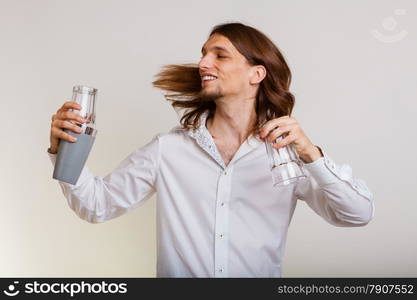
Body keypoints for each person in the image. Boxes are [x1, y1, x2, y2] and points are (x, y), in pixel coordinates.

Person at [48, 23, 374, 277]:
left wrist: (311, 154)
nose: (203, 62)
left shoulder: (286, 154)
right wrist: (62, 147)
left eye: (220, 54)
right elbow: (97, 205)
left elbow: (356, 214)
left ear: (256, 74)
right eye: (204, 53)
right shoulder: (169, 149)